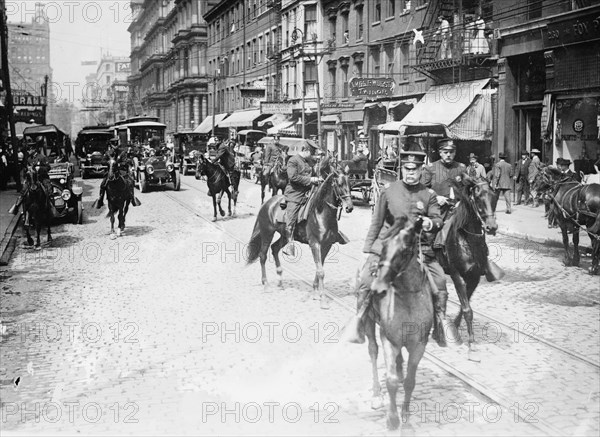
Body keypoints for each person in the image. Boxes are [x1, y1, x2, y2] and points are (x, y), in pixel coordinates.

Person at [349, 151, 456, 347]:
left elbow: (438, 219)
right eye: (406, 169)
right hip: (387, 247)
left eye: (414, 169)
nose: (410, 173)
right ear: (401, 169)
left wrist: (429, 224)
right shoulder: (389, 190)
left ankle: (440, 321)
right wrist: (369, 251)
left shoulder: (428, 194)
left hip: (418, 248)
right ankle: (359, 321)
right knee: (365, 280)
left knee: (439, 281)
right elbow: (377, 221)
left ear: (421, 170)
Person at [282, 142, 322, 257]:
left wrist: (319, 178)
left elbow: (314, 174)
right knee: (292, 218)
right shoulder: (293, 161)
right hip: (295, 193)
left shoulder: (309, 161)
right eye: (312, 153)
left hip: (309, 191)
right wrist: (311, 179)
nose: (313, 156)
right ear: (305, 150)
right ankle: (289, 245)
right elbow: (293, 177)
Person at [421, 138, 466, 219]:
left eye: (451, 152)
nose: (448, 155)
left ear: (455, 153)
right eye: (445, 152)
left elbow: (467, 189)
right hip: (438, 210)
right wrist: (436, 198)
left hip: (458, 211)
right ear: (440, 153)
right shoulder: (430, 168)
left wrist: (462, 202)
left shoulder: (461, 168)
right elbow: (422, 189)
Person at [8, 142, 52, 215]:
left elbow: (48, 167)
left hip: (42, 178)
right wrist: (27, 171)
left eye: (29, 149)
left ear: (34, 149)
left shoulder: (42, 157)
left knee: (48, 190)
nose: (28, 151)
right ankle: (18, 207)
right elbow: (25, 169)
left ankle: (50, 208)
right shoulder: (28, 159)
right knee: (23, 192)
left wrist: (40, 168)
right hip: (32, 179)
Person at [94, 139, 140, 209]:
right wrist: (109, 162)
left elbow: (126, 161)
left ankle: (132, 198)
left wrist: (119, 164)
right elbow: (103, 161)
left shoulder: (122, 152)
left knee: (130, 181)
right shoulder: (108, 153)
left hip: (121, 170)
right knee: (103, 184)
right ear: (111, 145)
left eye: (116, 144)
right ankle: (100, 199)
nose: (115, 146)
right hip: (111, 170)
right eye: (113, 145)